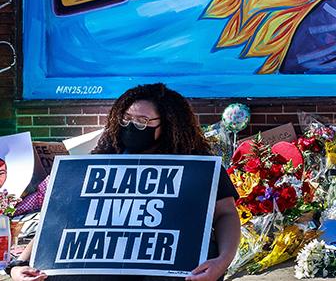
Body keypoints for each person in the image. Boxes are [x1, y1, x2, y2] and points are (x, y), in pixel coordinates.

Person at [7, 84, 240, 281]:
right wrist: (20, 264)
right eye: (126, 118)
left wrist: (222, 261)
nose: (131, 126)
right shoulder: (96, 165)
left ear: (168, 125)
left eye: (142, 121)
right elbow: (61, 219)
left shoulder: (197, 167)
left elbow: (226, 214)